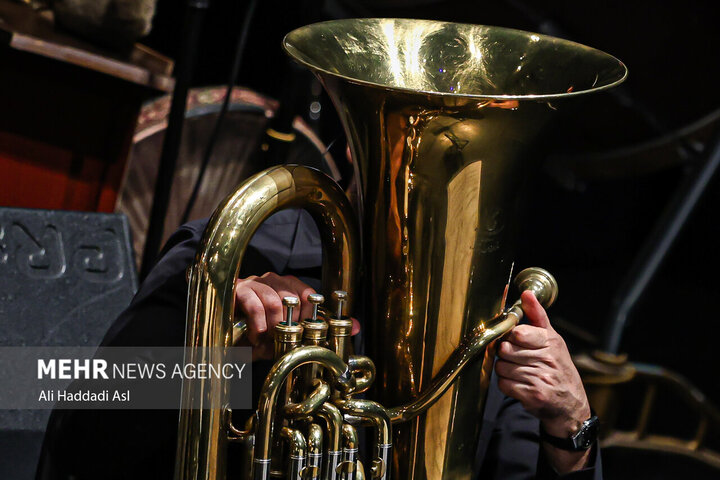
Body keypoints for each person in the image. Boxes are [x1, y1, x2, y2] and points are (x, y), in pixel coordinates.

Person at [37, 208, 601, 480]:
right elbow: (73, 425)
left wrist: (571, 422)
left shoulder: (493, 326)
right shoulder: (240, 252)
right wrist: (215, 350)